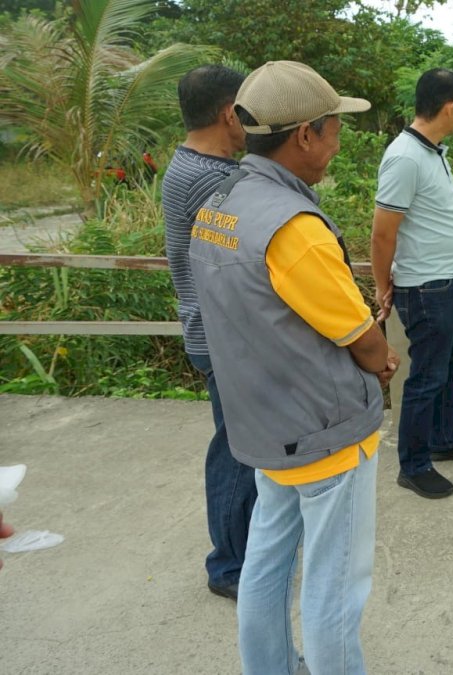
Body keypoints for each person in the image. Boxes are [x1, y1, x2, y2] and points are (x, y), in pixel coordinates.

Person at [189, 60, 399, 674]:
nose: (338, 144)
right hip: (323, 430)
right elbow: (360, 338)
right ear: (305, 133)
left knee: (267, 563)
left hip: (262, 425)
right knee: (336, 584)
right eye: (335, 129)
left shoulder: (220, 206)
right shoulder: (295, 229)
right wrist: (382, 357)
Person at [371, 68, 453, 500]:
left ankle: (443, 439)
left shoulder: (434, 150)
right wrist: (383, 286)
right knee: (426, 376)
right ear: (450, 108)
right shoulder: (404, 157)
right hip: (426, 288)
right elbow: (383, 233)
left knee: (450, 365)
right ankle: (414, 464)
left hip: (452, 280)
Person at [161, 64, 255, 601]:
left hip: (210, 331)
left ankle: (241, 551)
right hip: (224, 338)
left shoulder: (186, 164)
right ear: (228, 113)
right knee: (238, 451)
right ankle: (229, 565)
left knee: (236, 445)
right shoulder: (213, 179)